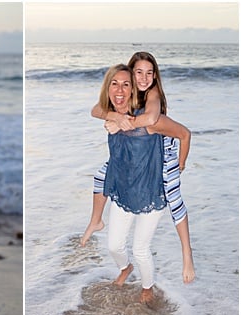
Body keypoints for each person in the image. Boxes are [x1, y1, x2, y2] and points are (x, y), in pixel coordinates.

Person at [80, 52, 195, 285]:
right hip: (131, 164)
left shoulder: (153, 96)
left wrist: (180, 164)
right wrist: (114, 116)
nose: (143, 78)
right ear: (131, 75)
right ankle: (97, 221)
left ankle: (186, 255)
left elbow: (158, 121)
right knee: (102, 175)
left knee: (173, 198)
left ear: (155, 76)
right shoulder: (123, 102)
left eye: (149, 73)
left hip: (163, 157)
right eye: (138, 73)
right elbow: (96, 109)